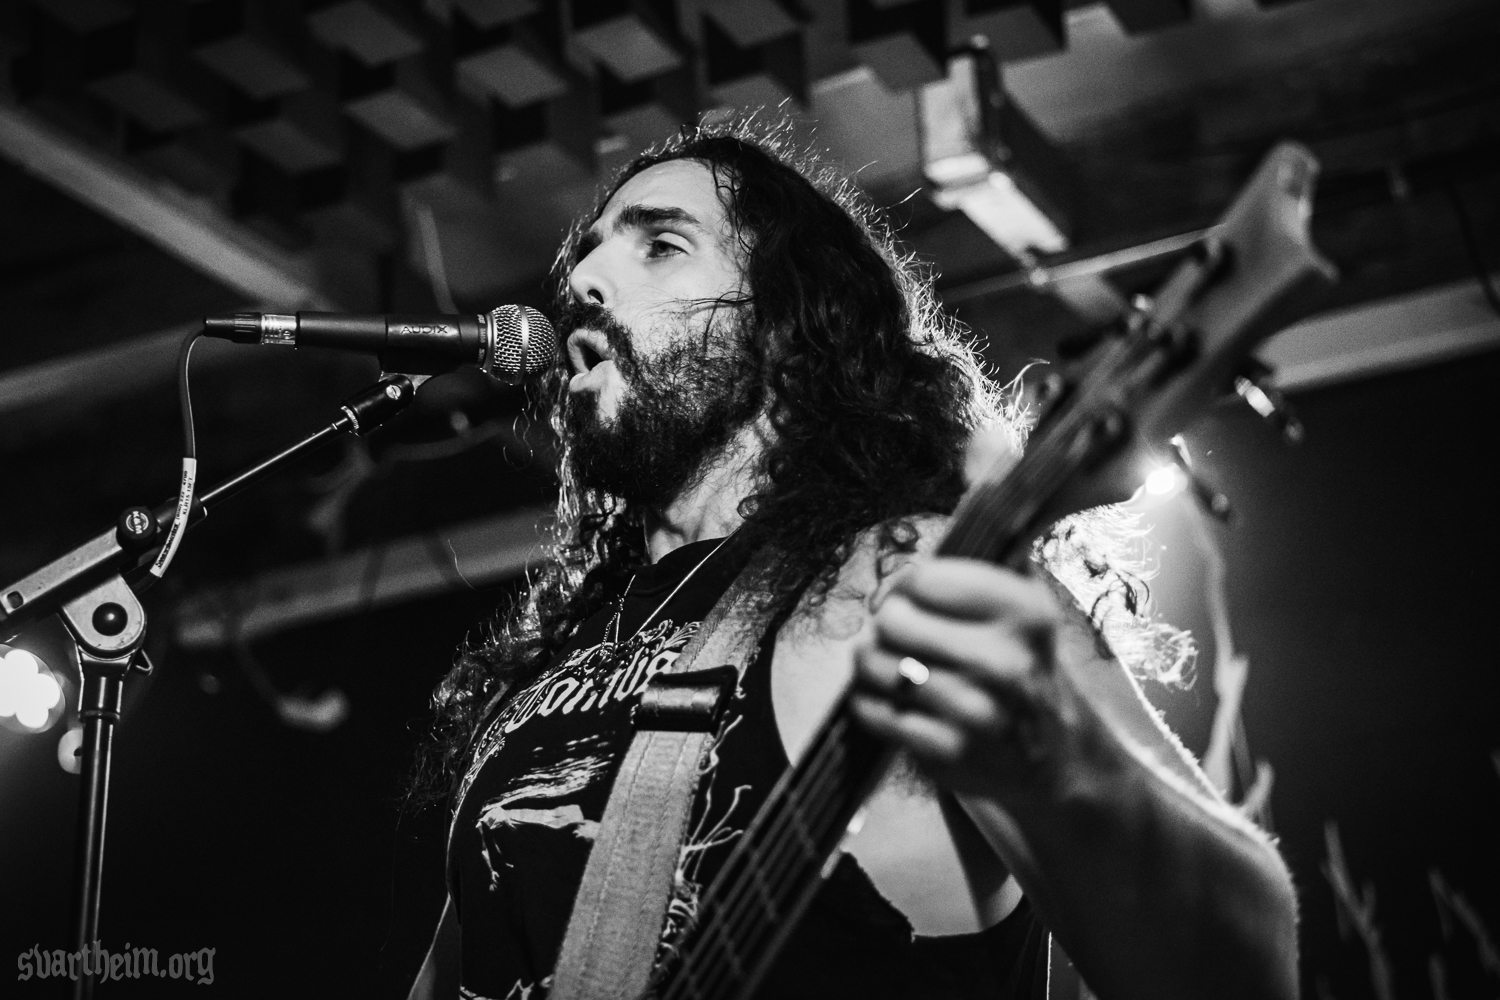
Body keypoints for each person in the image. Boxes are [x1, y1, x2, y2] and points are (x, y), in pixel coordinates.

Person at [408, 119, 1298, 1000]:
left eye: (662, 246)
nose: (582, 282)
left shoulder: (900, 572)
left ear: (785, 324)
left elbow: (1246, 970)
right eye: (589, 254)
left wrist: (1059, 757)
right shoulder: (553, 668)